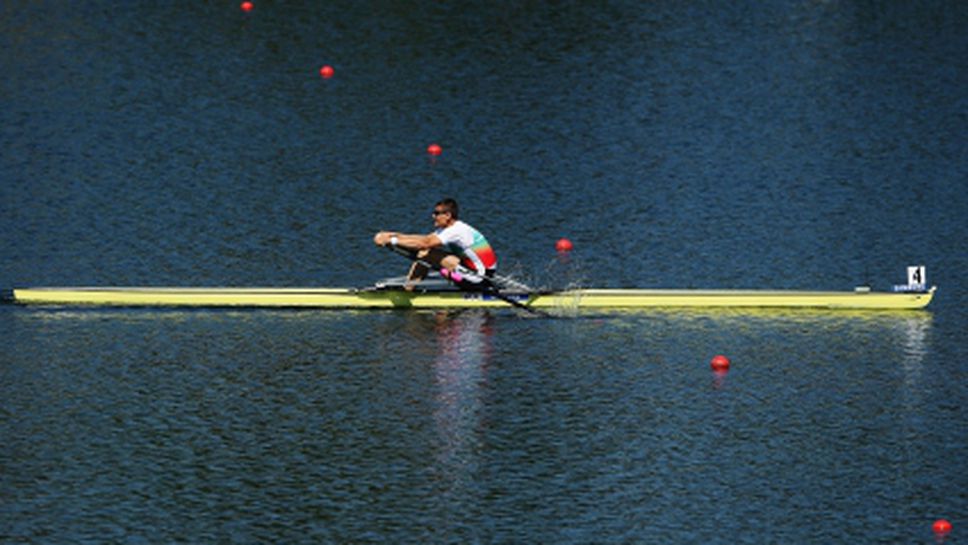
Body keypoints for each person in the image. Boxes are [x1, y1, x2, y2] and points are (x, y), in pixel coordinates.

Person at [373, 198, 497, 290]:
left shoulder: (455, 231)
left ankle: (408, 290)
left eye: (437, 213)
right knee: (426, 252)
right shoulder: (448, 228)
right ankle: (409, 289)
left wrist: (391, 241)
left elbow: (424, 244)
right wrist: (392, 235)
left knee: (425, 253)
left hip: (479, 277)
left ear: (448, 215)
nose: (433, 216)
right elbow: (425, 239)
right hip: (477, 270)